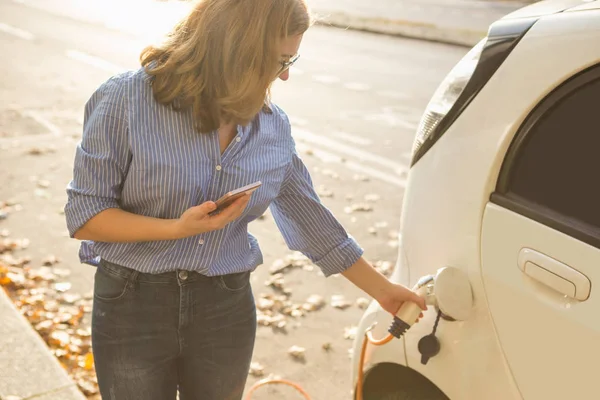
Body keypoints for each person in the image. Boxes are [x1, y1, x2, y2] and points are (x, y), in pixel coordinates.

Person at [64, 0, 427, 399]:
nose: (286, 75)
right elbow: (86, 215)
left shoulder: (272, 126)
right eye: (278, 60)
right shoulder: (126, 98)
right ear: (235, 48)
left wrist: (383, 291)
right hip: (132, 304)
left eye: (293, 59)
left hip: (225, 306)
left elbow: (313, 222)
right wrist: (177, 229)